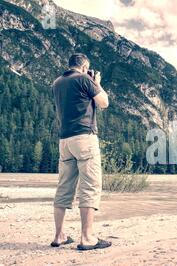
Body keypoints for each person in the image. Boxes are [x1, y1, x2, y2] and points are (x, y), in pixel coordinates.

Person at [51, 53, 111, 251]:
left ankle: (59, 235)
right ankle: (87, 238)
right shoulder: (85, 79)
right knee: (90, 186)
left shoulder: (57, 82)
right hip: (84, 137)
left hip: (64, 140)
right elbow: (104, 102)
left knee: (64, 187)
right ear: (85, 67)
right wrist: (98, 83)